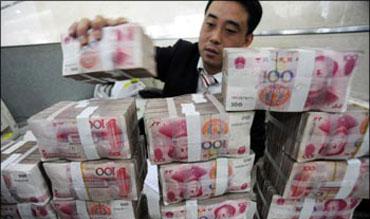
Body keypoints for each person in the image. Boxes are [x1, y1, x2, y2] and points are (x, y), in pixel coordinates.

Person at [68, 0, 265, 161]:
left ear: (247, 40)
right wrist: (109, 39)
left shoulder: (253, 83)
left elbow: (255, 146)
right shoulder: (181, 55)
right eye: (210, 24)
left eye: (230, 30)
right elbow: (137, 56)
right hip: (166, 163)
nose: (214, 37)